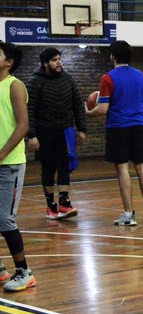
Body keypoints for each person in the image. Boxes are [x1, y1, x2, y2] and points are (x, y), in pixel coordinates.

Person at [85, 40, 143, 226]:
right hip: (138, 126)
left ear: (113, 56)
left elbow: (102, 109)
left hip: (118, 128)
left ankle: (128, 215)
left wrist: (87, 112)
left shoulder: (108, 78)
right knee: (142, 168)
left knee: (123, 169)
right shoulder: (142, 75)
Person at [26, 47, 87, 220]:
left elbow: (77, 105)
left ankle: (64, 203)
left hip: (64, 132)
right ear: (45, 63)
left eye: (59, 59)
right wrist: (32, 135)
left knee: (64, 166)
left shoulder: (68, 80)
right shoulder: (34, 82)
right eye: (54, 60)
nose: (59, 62)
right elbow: (29, 110)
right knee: (48, 169)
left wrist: (81, 129)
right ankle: (50, 206)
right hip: (44, 133)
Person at [0, 41, 37, 291]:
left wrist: (1, 155)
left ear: (9, 61)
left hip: (9, 164)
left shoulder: (14, 86)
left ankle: (24, 272)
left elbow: (22, 126)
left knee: (4, 219)